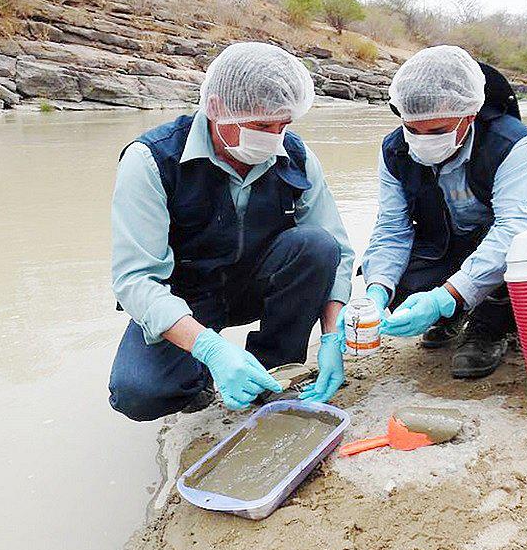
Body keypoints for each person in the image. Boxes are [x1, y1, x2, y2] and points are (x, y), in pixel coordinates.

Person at [108, 42, 354, 420]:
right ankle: (202, 377)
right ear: (217, 108)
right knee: (138, 392)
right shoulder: (151, 160)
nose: (275, 138)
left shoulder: (296, 155)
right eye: (261, 126)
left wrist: (332, 335)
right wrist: (208, 347)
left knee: (317, 246)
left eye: (283, 124)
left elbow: (337, 248)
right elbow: (135, 280)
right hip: (188, 297)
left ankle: (273, 371)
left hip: (258, 283)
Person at [361, 45, 527, 379]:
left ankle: (489, 327)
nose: (423, 140)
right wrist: (376, 292)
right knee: (401, 281)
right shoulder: (394, 150)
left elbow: (517, 229)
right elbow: (392, 229)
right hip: (448, 241)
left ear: (469, 115)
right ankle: (452, 316)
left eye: (438, 131)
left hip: (505, 238)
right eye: (413, 129)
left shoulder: (511, 143)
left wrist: (446, 295)